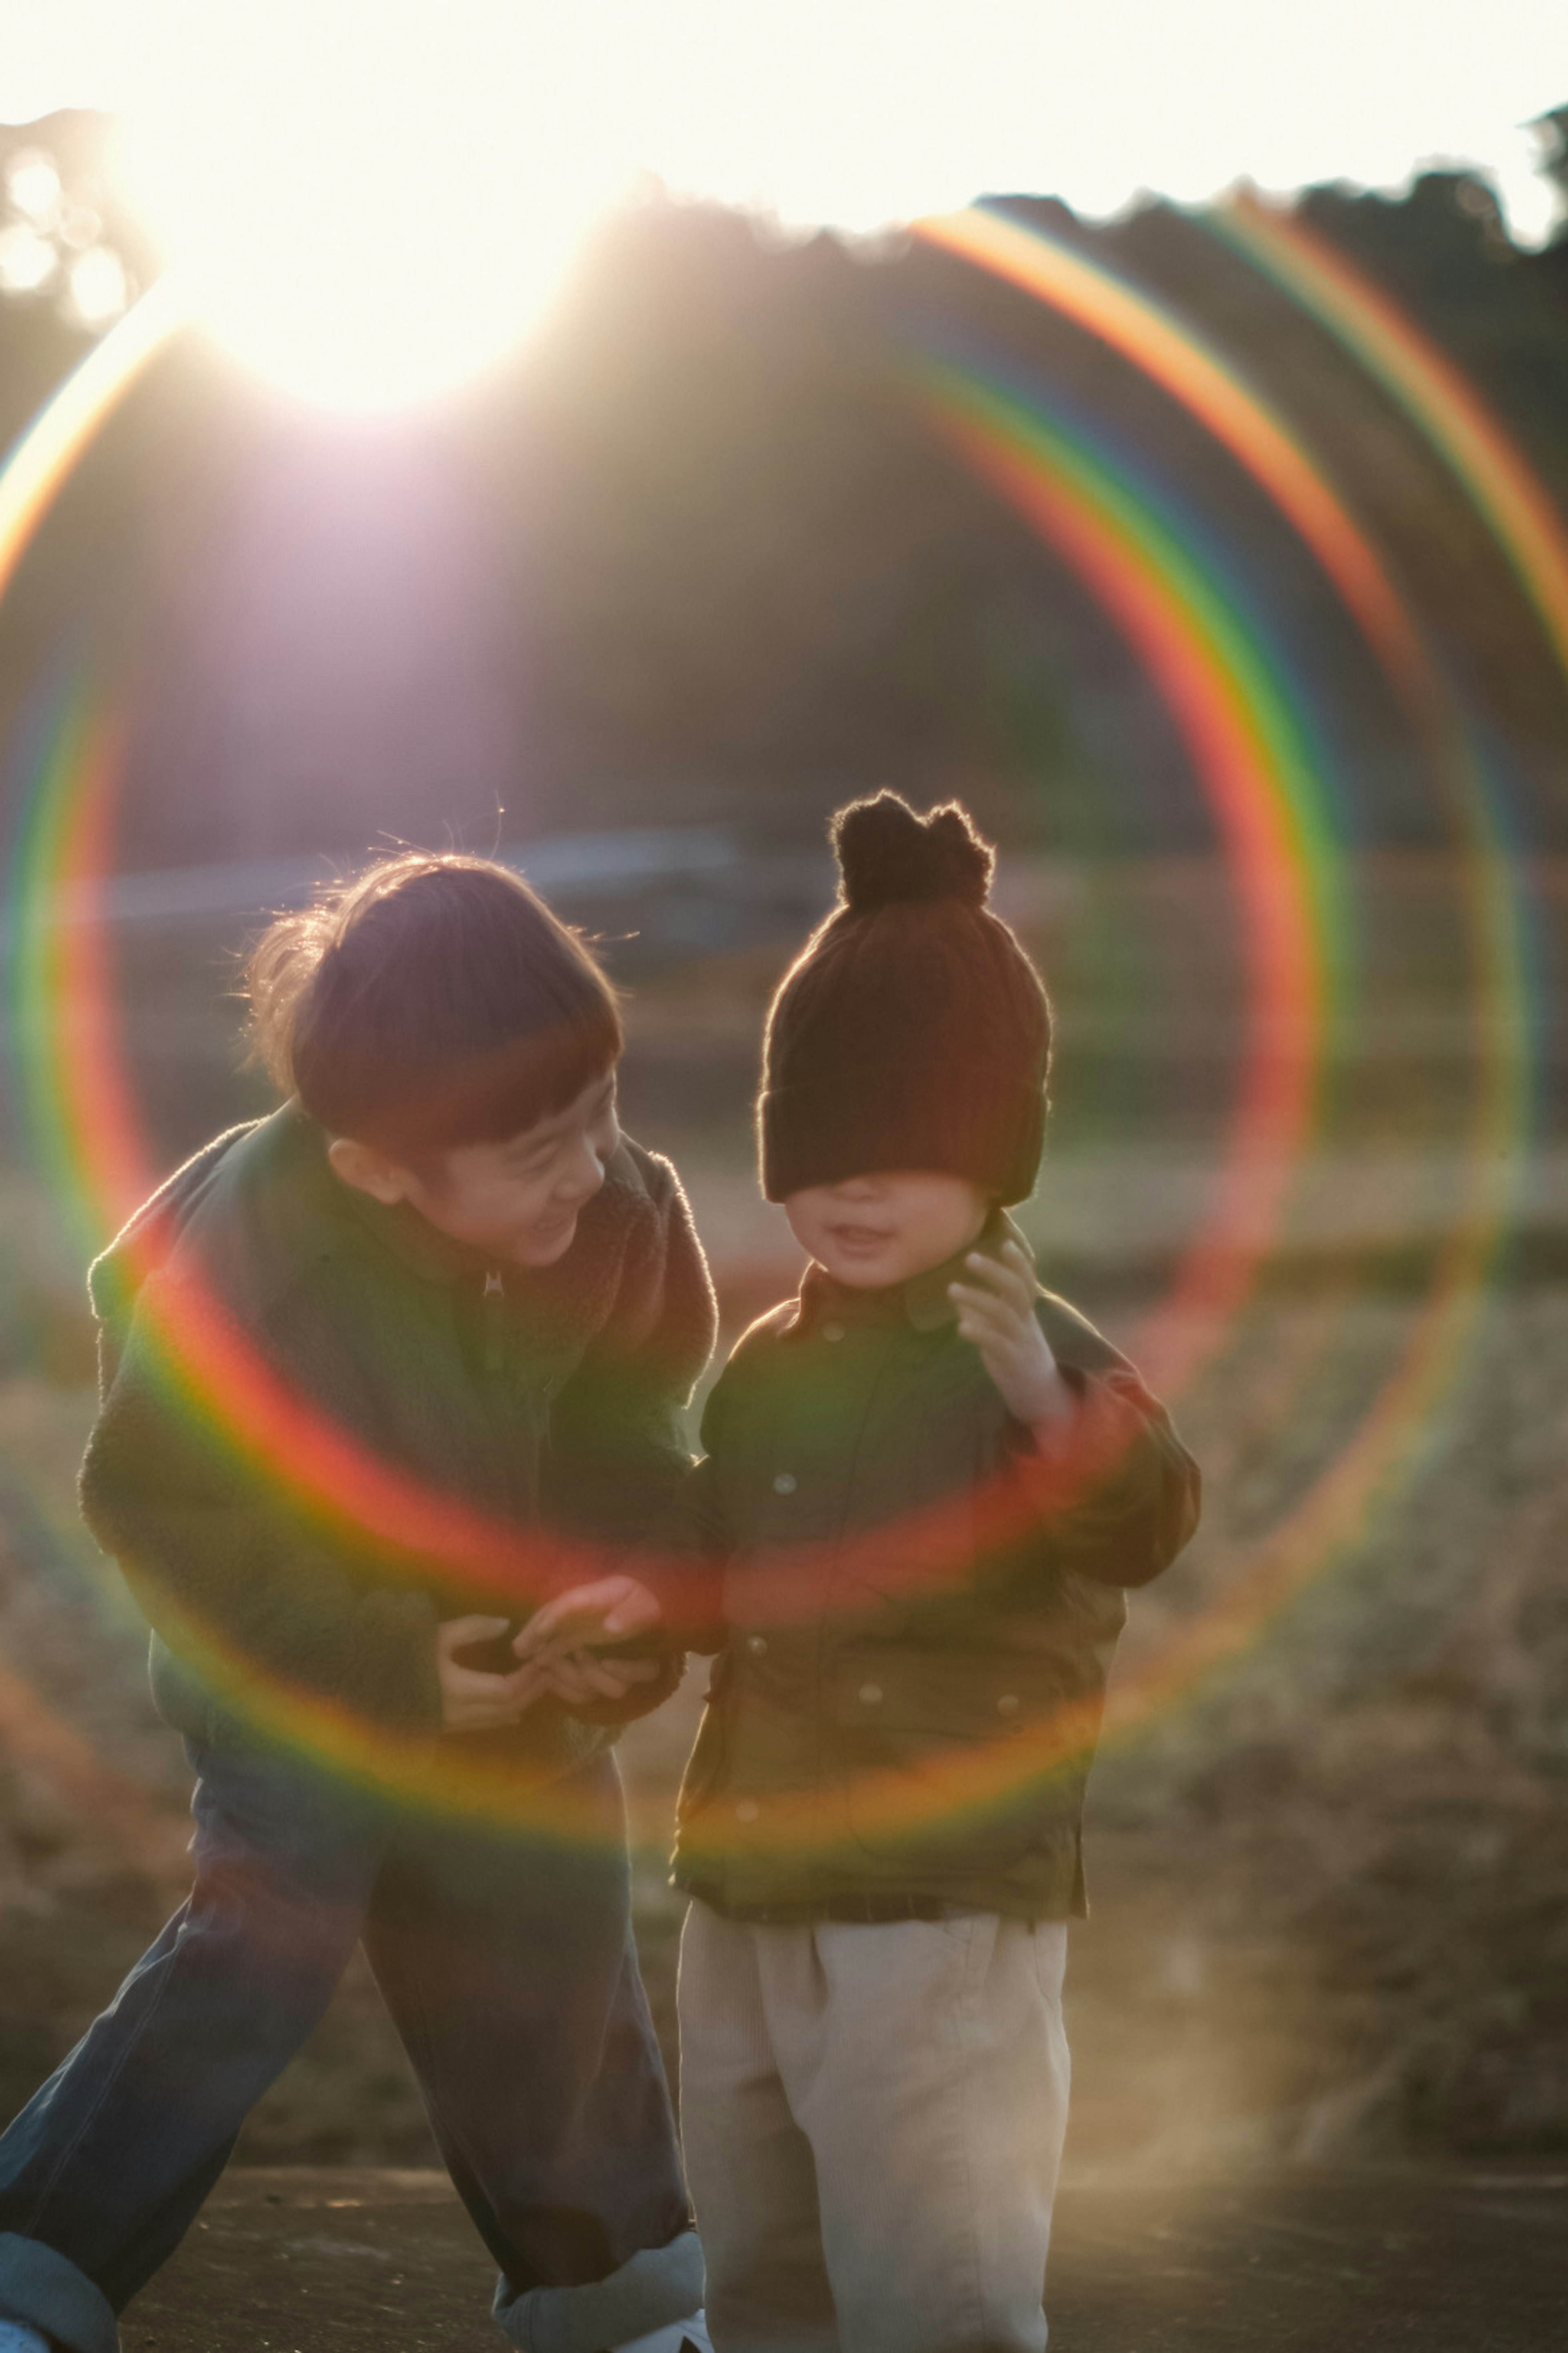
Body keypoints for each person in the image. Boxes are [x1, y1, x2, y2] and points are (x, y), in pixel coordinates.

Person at [0, 853, 714, 2353]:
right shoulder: (239, 1254)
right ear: (379, 1165)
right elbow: (170, 1511)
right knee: (267, 1936)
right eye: (536, 1151)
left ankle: (615, 2296)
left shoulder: (624, 1210)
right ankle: (29, 2274)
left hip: (522, 1674)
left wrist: (628, 1597)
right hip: (295, 1667)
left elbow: (637, 1444)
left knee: (555, 1948)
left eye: (599, 1111)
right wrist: (392, 1663)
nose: (588, 1167)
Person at [667, 794, 1201, 2353]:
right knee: (759, 2258)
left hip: (943, 1902)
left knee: (932, 2275)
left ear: (997, 1155)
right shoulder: (767, 1365)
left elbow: (1149, 1520)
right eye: (822, 1147)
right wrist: (628, 1603)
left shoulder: (1030, 1357)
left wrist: (1045, 1403)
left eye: (912, 1149)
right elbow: (718, 1560)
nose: (858, 1186)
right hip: (750, 1878)